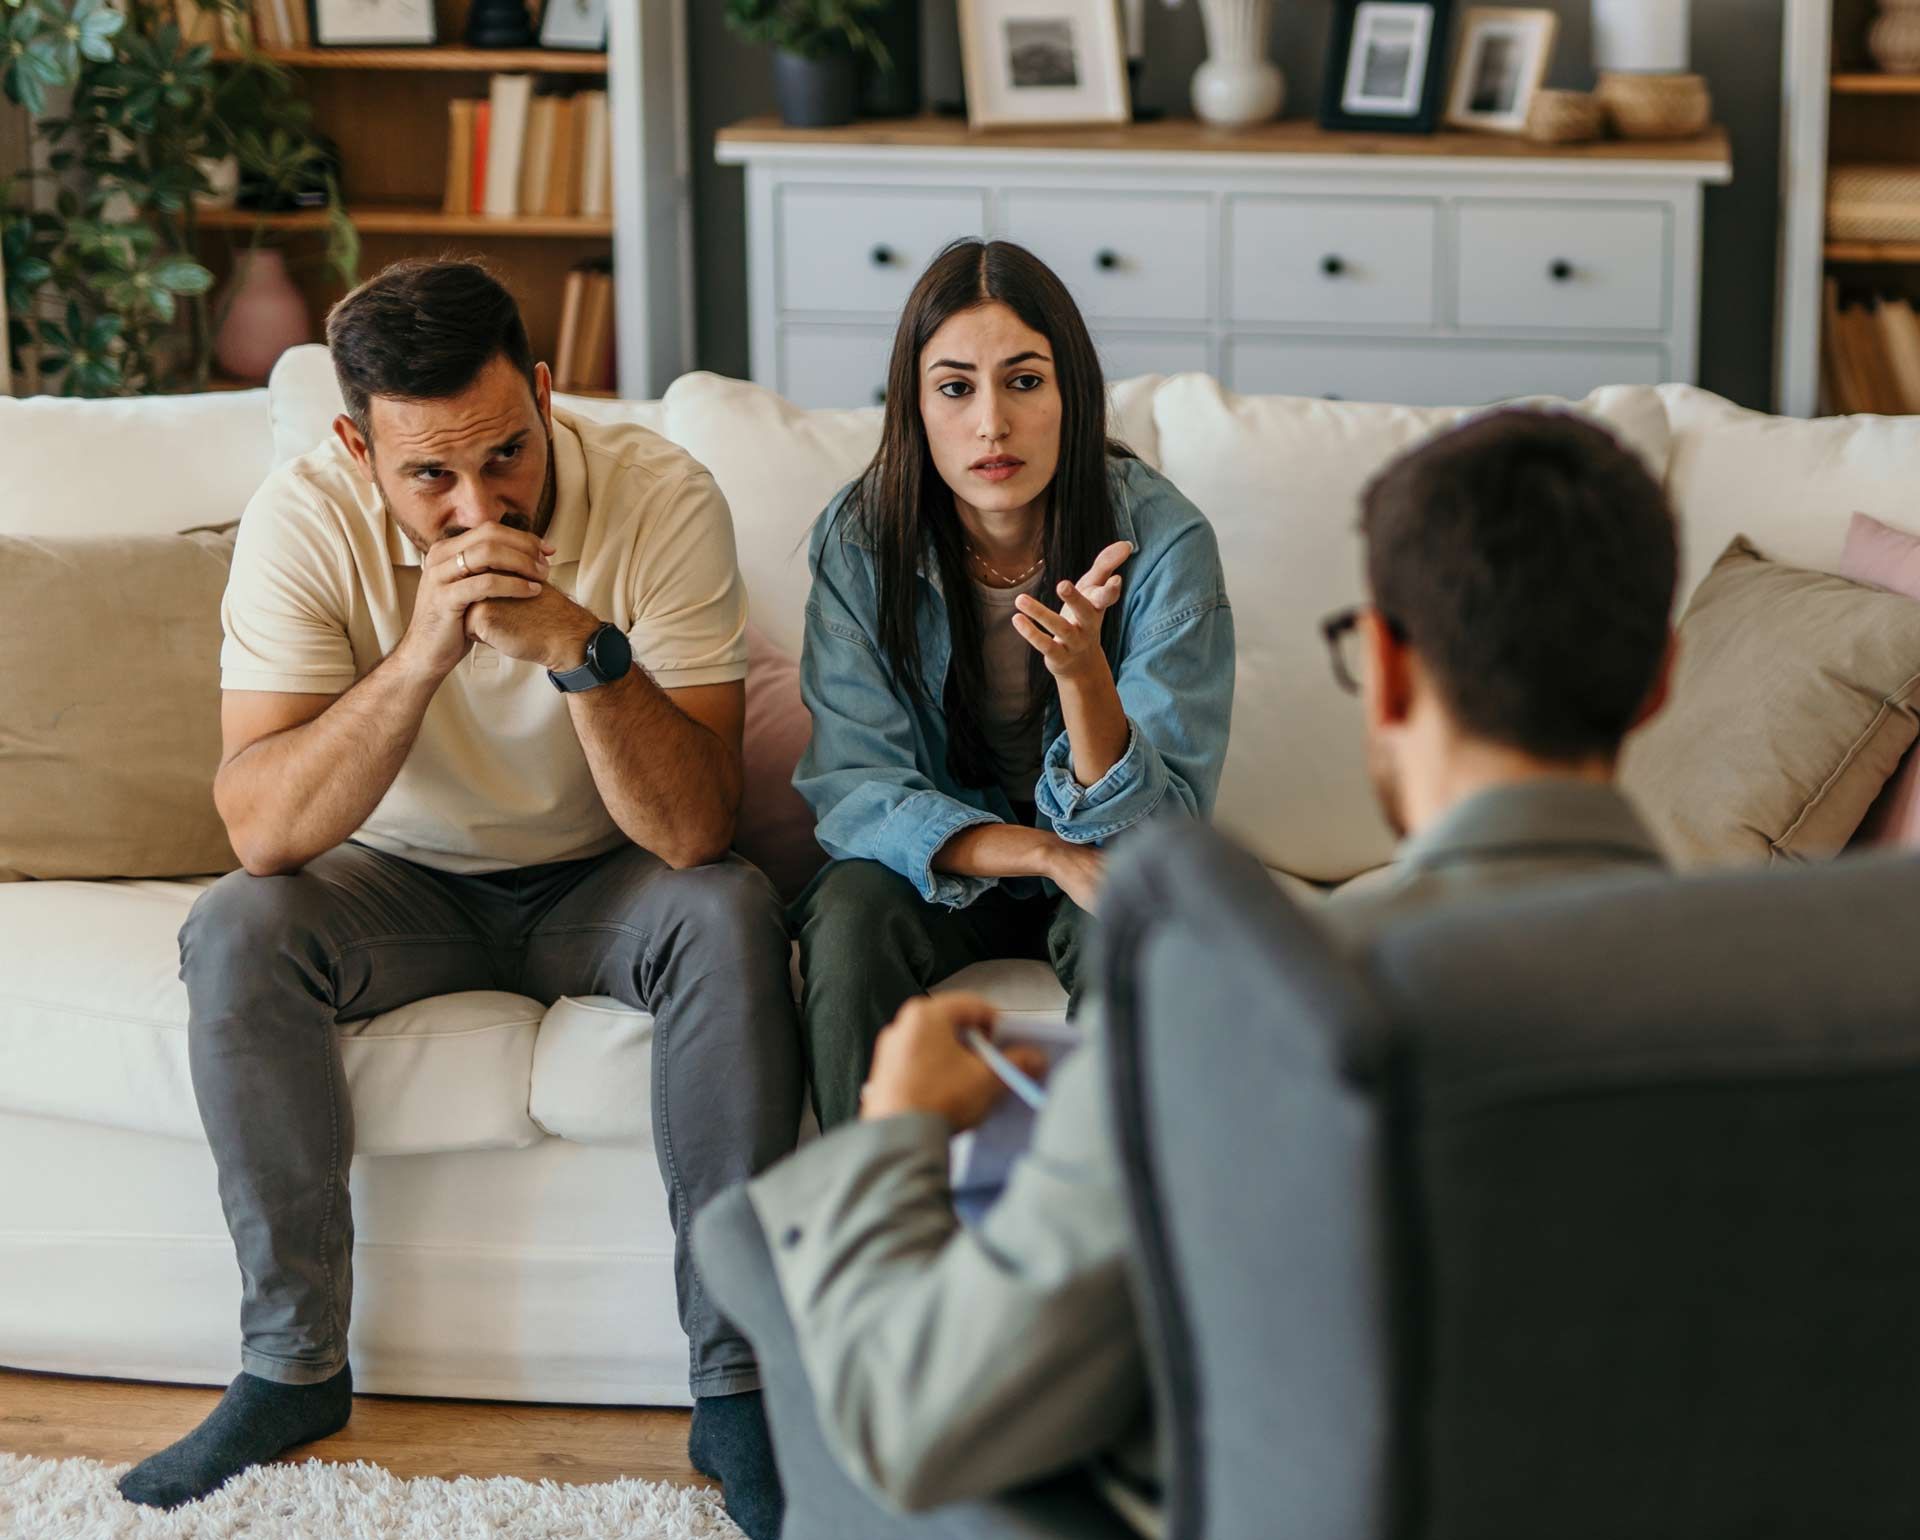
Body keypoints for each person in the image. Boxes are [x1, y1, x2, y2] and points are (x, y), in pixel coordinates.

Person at [743, 407, 1680, 1535]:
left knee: (755, 1259)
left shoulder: (1243, 1024)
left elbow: (916, 1422)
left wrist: (899, 1137)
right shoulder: (1838, 981)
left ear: (1383, 671)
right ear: (1659, 682)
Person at [117, 260, 800, 1539]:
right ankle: (290, 1369)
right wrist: (427, 650)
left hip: (609, 876)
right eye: (430, 474)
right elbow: (261, 826)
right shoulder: (302, 516)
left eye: (507, 454)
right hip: (396, 882)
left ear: (545, 395)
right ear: (355, 445)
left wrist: (586, 655)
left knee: (731, 909)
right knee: (235, 924)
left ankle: (739, 1383)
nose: (480, 504)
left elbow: (695, 828)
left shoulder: (662, 497)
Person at [789, 238, 1236, 1129]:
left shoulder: (1166, 541)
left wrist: (1084, 679)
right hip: (944, 863)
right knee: (847, 915)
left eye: (1024, 382)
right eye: (955, 387)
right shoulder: (858, 537)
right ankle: (872, 1231)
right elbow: (855, 787)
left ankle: (1100, 1234)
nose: (991, 423)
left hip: (1111, 859)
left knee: (1137, 924)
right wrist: (1036, 850)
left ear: (1072, 393)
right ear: (915, 407)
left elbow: (1164, 822)